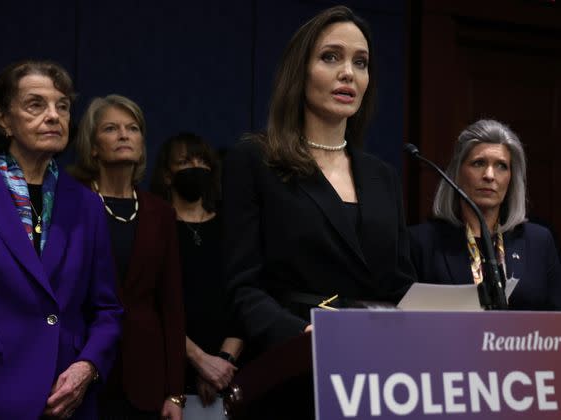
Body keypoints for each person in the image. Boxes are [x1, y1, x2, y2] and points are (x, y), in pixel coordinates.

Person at [222, 6, 416, 418]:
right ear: (301, 71)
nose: (348, 73)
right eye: (331, 57)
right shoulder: (254, 159)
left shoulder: (382, 176)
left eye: (360, 63)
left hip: (375, 376)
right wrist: (299, 336)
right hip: (291, 369)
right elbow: (243, 286)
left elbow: (399, 282)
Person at [0, 60, 122, 419]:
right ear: (3, 118)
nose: (54, 116)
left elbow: (107, 311)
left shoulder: (86, 204)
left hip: (64, 405)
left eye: (62, 106)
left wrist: (88, 367)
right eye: (37, 104)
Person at [70, 94, 185, 420]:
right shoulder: (72, 203)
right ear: (93, 146)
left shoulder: (160, 213)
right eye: (111, 128)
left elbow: (171, 305)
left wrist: (175, 393)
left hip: (144, 376)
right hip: (80, 368)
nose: (124, 135)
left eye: (132, 128)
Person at [409, 119, 561, 309]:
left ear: (511, 179)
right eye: (478, 163)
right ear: (457, 173)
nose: (489, 175)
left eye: (501, 166)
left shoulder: (539, 241)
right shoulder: (421, 243)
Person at [150, 132, 243, 418]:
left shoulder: (233, 229)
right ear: (167, 175)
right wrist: (200, 361)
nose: (196, 166)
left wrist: (222, 363)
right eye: (185, 161)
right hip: (170, 378)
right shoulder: (154, 229)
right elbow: (152, 304)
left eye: (202, 161)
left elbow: (246, 298)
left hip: (231, 376)